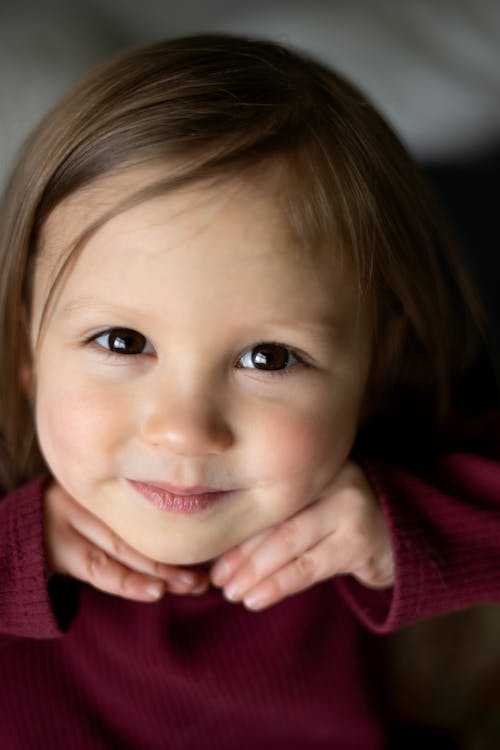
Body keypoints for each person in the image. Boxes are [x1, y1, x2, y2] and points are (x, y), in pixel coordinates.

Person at [0, 34, 498, 749]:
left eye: (268, 357)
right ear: (28, 351)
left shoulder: (381, 480)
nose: (183, 430)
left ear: (374, 366)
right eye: (122, 342)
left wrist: (406, 533)